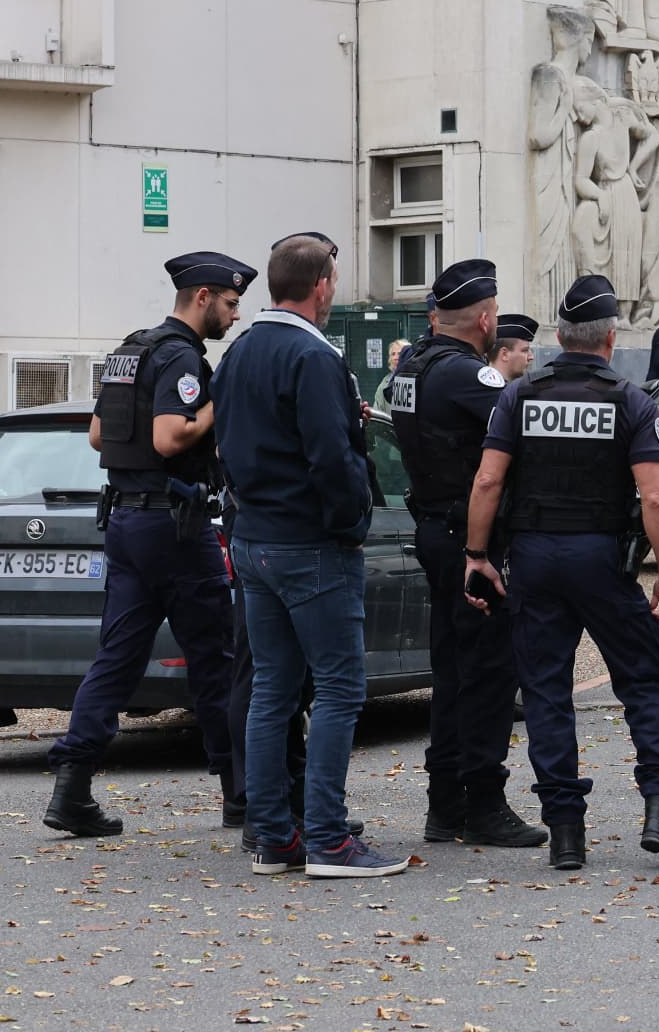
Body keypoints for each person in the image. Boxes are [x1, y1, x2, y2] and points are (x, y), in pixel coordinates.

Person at [461, 273, 659, 872]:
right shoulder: (631, 400)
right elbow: (653, 499)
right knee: (644, 677)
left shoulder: (518, 397)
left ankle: (566, 832)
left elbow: (489, 480)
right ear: (610, 338)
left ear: (561, 336)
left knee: (545, 690)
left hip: (536, 559)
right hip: (601, 559)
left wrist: (476, 555)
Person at [215, 233, 409, 878]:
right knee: (338, 690)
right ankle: (329, 837)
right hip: (311, 543)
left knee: (272, 690)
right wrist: (351, 523)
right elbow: (333, 457)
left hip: (254, 538)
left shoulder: (238, 351)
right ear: (323, 285)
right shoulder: (314, 355)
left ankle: (275, 837)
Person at [43, 252, 254, 838]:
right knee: (214, 660)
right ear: (204, 296)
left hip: (127, 524)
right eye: (232, 304)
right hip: (175, 528)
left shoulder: (129, 350)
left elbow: (96, 434)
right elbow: (169, 436)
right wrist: (219, 402)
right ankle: (239, 793)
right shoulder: (183, 356)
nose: (236, 317)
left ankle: (72, 786)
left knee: (116, 658)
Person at [387, 260, 547, 849]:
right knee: (485, 673)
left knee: (453, 670)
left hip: (434, 527)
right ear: (485, 319)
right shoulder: (465, 376)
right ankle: (482, 802)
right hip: (467, 537)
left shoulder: (413, 366)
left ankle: (445, 803)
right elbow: (523, 435)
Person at [373, 339, 411, 407]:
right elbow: (377, 409)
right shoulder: (385, 383)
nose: (395, 358)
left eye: (400, 353)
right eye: (393, 354)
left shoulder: (416, 379)